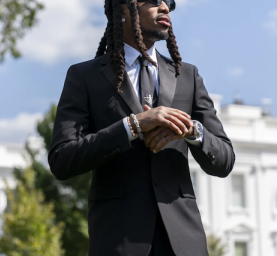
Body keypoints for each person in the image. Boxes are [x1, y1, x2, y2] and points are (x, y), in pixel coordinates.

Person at [47, 0, 235, 255]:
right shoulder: (85, 77)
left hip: (183, 242)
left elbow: (224, 160)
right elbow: (62, 159)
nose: (165, 8)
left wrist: (192, 130)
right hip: (118, 240)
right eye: (154, 1)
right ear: (124, 8)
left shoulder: (187, 76)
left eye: (168, 3)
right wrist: (132, 125)